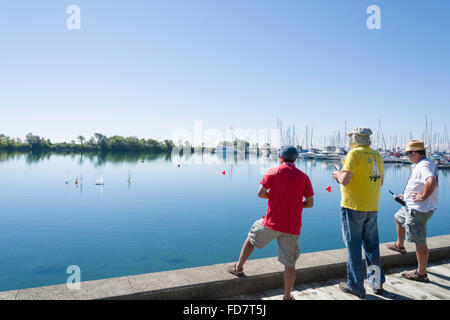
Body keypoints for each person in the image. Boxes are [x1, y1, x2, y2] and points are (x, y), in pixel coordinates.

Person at [227, 145, 314, 300]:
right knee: (290, 264)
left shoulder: (272, 172)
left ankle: (238, 268)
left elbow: (260, 193)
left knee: (252, 236)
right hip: (292, 227)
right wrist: (293, 204)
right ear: (295, 159)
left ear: (281, 158)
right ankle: (287, 296)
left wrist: (273, 198)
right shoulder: (303, 177)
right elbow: (310, 203)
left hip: (270, 223)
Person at [332, 127, 385, 298]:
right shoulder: (377, 155)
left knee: (353, 247)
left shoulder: (353, 154)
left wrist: (337, 175)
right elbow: (381, 181)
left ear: (355, 138)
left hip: (353, 207)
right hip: (372, 206)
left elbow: (345, 180)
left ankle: (355, 286)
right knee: (372, 247)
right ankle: (376, 283)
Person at [386, 140, 438, 282]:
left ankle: (421, 273)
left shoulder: (424, 165)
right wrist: (406, 196)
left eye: (407, 153)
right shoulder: (421, 164)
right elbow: (421, 183)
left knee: (419, 241)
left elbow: (431, 181)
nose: (406, 156)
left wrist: (423, 196)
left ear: (414, 153)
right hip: (412, 207)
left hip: (418, 210)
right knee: (398, 217)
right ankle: (399, 245)